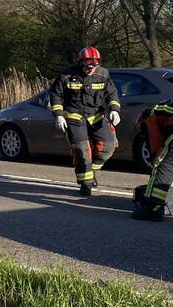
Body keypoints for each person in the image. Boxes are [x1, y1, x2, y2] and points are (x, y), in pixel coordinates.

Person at [48, 47, 121, 196]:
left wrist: (114, 110)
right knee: (82, 150)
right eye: (88, 66)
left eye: (94, 67)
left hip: (97, 117)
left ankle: (90, 170)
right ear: (80, 63)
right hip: (74, 116)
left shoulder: (103, 74)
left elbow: (112, 94)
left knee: (108, 146)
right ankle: (85, 184)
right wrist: (58, 115)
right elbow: (56, 96)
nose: (91, 70)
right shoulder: (66, 75)